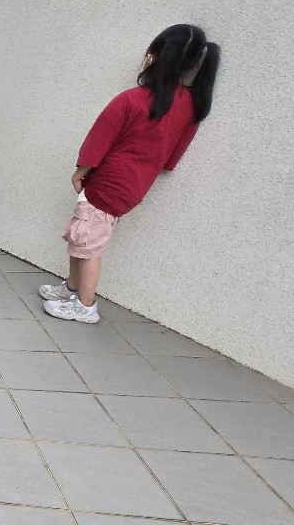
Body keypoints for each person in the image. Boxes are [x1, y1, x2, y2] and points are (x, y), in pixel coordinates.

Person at [43, 23, 220, 323]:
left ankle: (85, 305)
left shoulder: (132, 99)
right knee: (83, 238)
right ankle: (72, 288)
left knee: (88, 243)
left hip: (106, 184)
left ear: (154, 56)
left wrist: (80, 171)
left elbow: (99, 138)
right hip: (133, 188)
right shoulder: (191, 107)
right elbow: (171, 159)